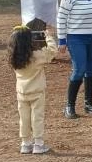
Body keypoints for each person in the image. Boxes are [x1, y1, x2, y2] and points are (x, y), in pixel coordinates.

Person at [9, 24, 57, 154]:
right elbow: (52, 51)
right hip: (37, 91)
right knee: (37, 117)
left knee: (23, 118)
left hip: (21, 92)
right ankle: (38, 143)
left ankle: (25, 143)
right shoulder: (37, 56)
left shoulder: (14, 58)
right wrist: (48, 36)